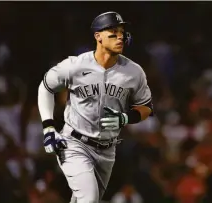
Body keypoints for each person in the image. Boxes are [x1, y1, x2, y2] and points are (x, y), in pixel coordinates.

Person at [37, 11, 154, 203]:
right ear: (98, 36)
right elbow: (46, 87)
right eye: (113, 32)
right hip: (75, 143)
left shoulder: (134, 72)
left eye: (122, 32)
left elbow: (146, 106)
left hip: (108, 150)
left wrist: (126, 118)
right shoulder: (75, 65)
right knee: (89, 200)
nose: (120, 37)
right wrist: (48, 127)